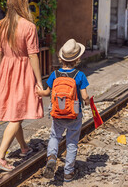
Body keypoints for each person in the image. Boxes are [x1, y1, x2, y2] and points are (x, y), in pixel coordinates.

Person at [0, 0, 44, 171]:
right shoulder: (29, 26)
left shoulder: (0, 25)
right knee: (17, 114)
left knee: (16, 112)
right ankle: (0, 156)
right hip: (22, 71)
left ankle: (24, 147)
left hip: (6, 70)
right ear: (24, 2)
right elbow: (33, 56)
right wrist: (39, 81)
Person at [36, 39, 90, 182]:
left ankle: (52, 157)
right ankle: (68, 173)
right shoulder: (80, 75)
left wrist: (39, 93)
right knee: (71, 142)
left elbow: (47, 92)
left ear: (61, 58)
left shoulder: (55, 75)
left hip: (58, 113)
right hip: (74, 114)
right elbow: (84, 96)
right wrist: (87, 100)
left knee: (55, 136)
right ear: (77, 59)